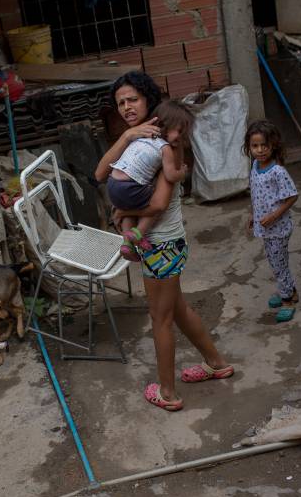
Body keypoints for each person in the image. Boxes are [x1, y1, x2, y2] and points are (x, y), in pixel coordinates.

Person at [95, 72, 233, 411]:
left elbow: (157, 204)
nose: (127, 107)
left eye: (133, 100)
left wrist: (120, 210)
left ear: (149, 100)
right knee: (179, 309)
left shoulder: (166, 143)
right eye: (121, 103)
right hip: (161, 244)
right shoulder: (140, 140)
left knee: (161, 319)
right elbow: (99, 174)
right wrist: (127, 135)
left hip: (161, 244)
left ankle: (168, 393)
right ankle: (217, 364)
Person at [106, 100, 194, 261]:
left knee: (129, 203)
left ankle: (126, 243)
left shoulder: (140, 137)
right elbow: (170, 176)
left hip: (112, 183)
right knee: (154, 203)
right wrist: (181, 173)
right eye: (180, 131)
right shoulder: (165, 147)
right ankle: (138, 233)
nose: (182, 137)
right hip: (129, 187)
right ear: (165, 125)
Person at [244, 120, 299, 322]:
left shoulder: (278, 171)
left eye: (264, 145)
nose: (260, 150)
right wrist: (253, 214)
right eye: (255, 146)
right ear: (249, 147)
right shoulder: (256, 165)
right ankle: (290, 291)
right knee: (276, 260)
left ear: (273, 145)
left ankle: (287, 301)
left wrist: (275, 215)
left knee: (278, 263)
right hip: (265, 226)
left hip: (278, 228)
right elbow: (256, 194)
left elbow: (293, 196)